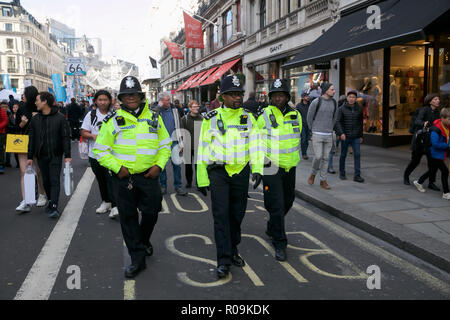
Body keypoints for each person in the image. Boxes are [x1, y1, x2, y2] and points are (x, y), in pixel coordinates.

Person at [93, 76, 172, 278]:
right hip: (123, 179)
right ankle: (137, 258)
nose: (131, 98)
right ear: (120, 98)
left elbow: (165, 145)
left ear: (140, 96)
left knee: (152, 212)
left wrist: (159, 165)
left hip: (149, 176)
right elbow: (100, 150)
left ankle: (143, 241)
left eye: (134, 94)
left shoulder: (154, 117)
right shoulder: (113, 121)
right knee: (128, 219)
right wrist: (117, 167)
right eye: (126, 95)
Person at [197, 74, 263, 279]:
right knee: (220, 217)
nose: (237, 98)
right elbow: (202, 148)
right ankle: (223, 259)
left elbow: (256, 145)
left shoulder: (249, 118)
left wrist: (258, 168)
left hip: (240, 172)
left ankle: (233, 249)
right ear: (223, 96)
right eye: (232, 94)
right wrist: (201, 177)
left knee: (237, 215)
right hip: (218, 173)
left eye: (239, 94)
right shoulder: (211, 119)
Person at [257, 79, 301, 261]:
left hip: (290, 166)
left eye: (281, 95)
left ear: (287, 97)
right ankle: (280, 242)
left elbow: (299, 137)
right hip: (271, 166)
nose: (278, 98)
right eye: (275, 96)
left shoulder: (296, 115)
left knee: (288, 201)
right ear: (270, 97)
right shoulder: (263, 115)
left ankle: (272, 226)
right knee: (276, 205)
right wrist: (258, 167)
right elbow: (256, 143)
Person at [27, 92, 71, 218]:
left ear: (45, 101)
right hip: (41, 155)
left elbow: (65, 137)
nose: (35, 103)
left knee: (54, 179)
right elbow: (32, 138)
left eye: (37, 100)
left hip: (55, 154)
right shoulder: (35, 119)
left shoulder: (60, 118)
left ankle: (54, 205)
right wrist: (30, 157)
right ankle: (51, 200)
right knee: (45, 181)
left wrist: (67, 155)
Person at [81, 90, 118, 218]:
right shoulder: (91, 115)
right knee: (101, 179)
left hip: (112, 154)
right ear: (95, 101)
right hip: (95, 155)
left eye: (105, 100)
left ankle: (115, 205)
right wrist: (93, 136)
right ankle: (106, 202)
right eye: (100, 100)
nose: (102, 102)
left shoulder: (115, 115)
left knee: (111, 179)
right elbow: (84, 132)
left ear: (110, 101)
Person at [15, 86, 47, 213]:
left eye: (24, 94)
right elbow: (16, 128)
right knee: (24, 172)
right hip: (23, 143)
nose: (23, 96)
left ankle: (42, 194)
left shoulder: (40, 108)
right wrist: (22, 123)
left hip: (37, 143)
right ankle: (26, 200)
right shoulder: (21, 108)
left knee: (39, 170)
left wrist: (37, 118)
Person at [404, 93, 441, 190]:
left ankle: (431, 183)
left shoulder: (438, 112)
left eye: (438, 99)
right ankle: (406, 176)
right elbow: (417, 121)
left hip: (431, 141)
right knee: (415, 161)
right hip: (420, 141)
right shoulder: (424, 110)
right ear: (430, 101)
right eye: (436, 99)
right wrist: (423, 123)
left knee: (432, 163)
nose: (438, 101)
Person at [153, 92, 187, 196]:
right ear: (161, 101)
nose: (169, 102)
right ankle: (163, 186)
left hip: (174, 140)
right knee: (161, 166)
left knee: (177, 165)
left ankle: (178, 186)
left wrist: (181, 143)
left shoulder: (175, 110)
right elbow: (153, 117)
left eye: (169, 99)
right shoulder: (156, 110)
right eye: (166, 100)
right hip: (162, 143)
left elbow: (180, 126)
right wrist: (159, 106)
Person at [306, 82, 338, 190]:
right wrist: (312, 130)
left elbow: (335, 118)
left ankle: (323, 180)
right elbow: (309, 117)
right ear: (326, 90)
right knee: (318, 156)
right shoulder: (316, 102)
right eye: (332, 89)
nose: (334, 91)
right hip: (317, 133)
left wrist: (330, 129)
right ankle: (313, 173)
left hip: (328, 134)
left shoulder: (334, 102)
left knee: (326, 158)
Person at [413, 108, 450, 200]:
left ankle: (419, 182)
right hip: (434, 154)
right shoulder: (436, 129)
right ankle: (446, 192)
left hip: (440, 153)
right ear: (443, 118)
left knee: (432, 171)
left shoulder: (447, 126)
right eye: (449, 119)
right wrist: (447, 145)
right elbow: (435, 144)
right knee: (445, 171)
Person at [336, 90, 364, 183]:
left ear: (356, 99)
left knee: (357, 154)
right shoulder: (341, 108)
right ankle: (342, 173)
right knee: (343, 155)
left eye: (353, 97)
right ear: (347, 98)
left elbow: (360, 123)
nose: (351, 99)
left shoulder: (359, 109)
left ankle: (357, 175)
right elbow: (338, 122)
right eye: (350, 97)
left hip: (356, 136)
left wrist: (361, 135)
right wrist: (341, 133)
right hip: (345, 136)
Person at [180, 100, 203, 189]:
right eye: (194, 107)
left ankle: (199, 183)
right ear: (190, 108)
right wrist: (181, 145)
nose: (197, 108)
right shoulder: (184, 119)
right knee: (188, 166)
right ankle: (189, 182)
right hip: (187, 146)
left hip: (199, 146)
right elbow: (181, 133)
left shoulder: (202, 118)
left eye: (197, 106)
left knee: (199, 166)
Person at [296, 91, 311, 160]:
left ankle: (305, 152)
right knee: (303, 138)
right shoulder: (299, 106)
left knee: (307, 139)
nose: (308, 97)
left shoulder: (310, 105)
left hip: (309, 124)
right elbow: (296, 115)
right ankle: (304, 153)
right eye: (306, 96)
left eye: (308, 96)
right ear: (303, 97)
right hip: (301, 125)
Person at [5, 102, 20, 168]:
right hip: (11, 134)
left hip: (18, 134)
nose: (15, 109)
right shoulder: (10, 115)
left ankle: (18, 163)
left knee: (17, 150)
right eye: (14, 107)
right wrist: (14, 127)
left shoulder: (20, 115)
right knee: (9, 149)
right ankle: (8, 163)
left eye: (16, 107)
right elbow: (8, 125)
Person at [0, 100, 8, 174]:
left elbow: (5, 121)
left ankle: (1, 165)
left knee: (0, 149)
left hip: (1, 133)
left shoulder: (1, 110)